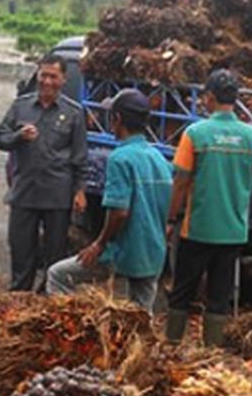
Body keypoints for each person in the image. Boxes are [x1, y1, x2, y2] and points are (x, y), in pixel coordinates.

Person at [166, 69, 252, 347]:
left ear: (210, 98)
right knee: (219, 296)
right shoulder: (251, 137)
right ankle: (211, 352)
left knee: (182, 292)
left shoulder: (195, 133)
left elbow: (180, 181)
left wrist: (170, 218)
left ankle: (171, 346)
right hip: (233, 231)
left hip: (197, 229)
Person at [46, 89, 170, 312]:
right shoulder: (159, 158)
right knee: (142, 315)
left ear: (117, 119)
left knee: (57, 275)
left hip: (123, 252)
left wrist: (99, 244)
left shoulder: (120, 158)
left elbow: (119, 212)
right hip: (153, 252)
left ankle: (70, 324)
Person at [0, 55, 87, 291]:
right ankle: (19, 298)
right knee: (20, 252)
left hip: (57, 196)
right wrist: (18, 136)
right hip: (24, 192)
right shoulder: (21, 106)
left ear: (63, 79)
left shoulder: (74, 113)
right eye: (43, 75)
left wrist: (80, 191)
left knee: (54, 257)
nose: (47, 81)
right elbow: (1, 138)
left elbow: (79, 157)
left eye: (53, 76)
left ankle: (47, 300)